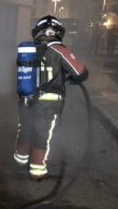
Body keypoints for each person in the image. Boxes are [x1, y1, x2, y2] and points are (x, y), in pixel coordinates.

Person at [14, 16, 88, 179]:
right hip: (48, 101)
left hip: (26, 98)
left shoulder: (29, 49)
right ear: (58, 32)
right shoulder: (59, 49)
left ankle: (20, 158)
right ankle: (37, 169)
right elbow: (81, 73)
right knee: (42, 133)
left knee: (25, 127)